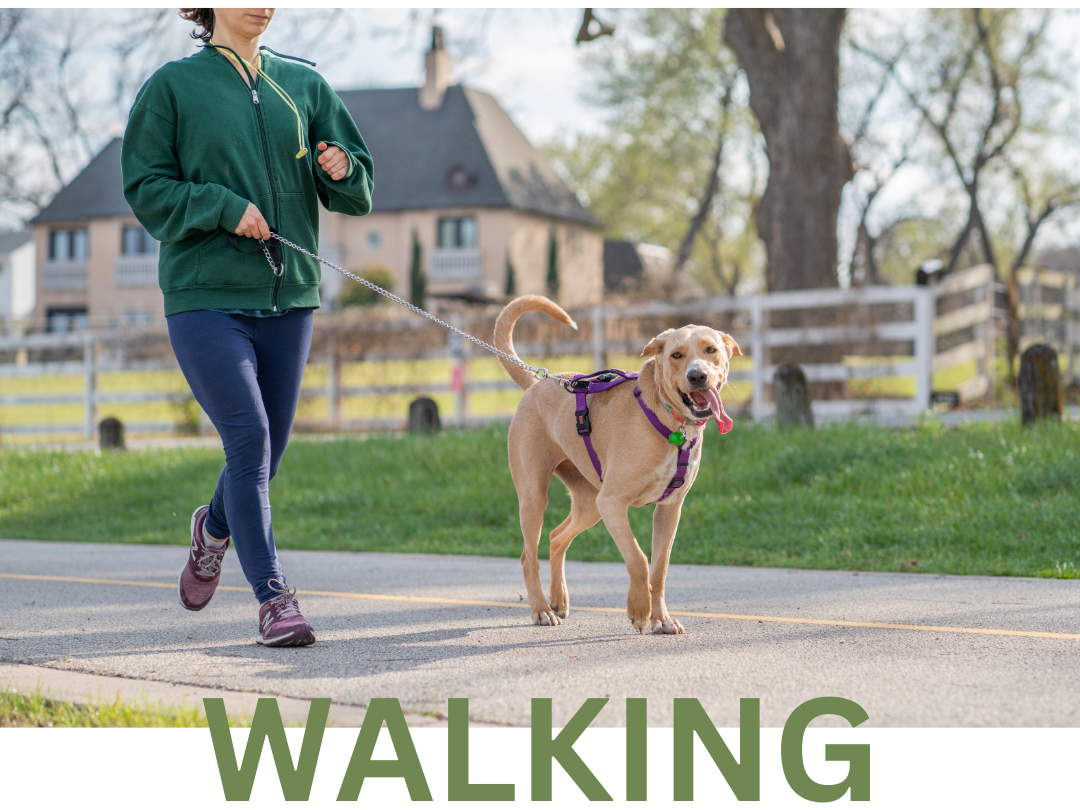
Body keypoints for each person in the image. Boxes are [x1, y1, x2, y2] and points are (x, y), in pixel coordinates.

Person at [121, 8, 373, 646]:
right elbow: (145, 186)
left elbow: (358, 187)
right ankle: (273, 600)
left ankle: (212, 532)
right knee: (250, 436)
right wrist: (222, 206)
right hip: (205, 297)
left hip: (290, 297)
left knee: (267, 451)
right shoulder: (173, 87)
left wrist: (340, 168)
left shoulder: (305, 84)